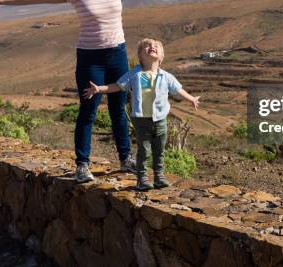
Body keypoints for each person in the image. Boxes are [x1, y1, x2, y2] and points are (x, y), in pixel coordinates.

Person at [0, 0, 190, 183]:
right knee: (88, 110)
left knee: (119, 109)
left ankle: (125, 158)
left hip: (117, 54)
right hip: (91, 59)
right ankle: (82, 165)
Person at [84, 38, 200, 190]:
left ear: (162, 57)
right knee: (144, 151)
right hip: (141, 120)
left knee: (159, 151)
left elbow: (178, 90)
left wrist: (191, 99)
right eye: (147, 46)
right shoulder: (135, 74)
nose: (152, 47)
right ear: (140, 56)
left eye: (156, 46)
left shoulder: (166, 76)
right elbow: (118, 86)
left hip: (160, 120)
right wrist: (99, 89)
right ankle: (142, 178)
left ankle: (159, 177)